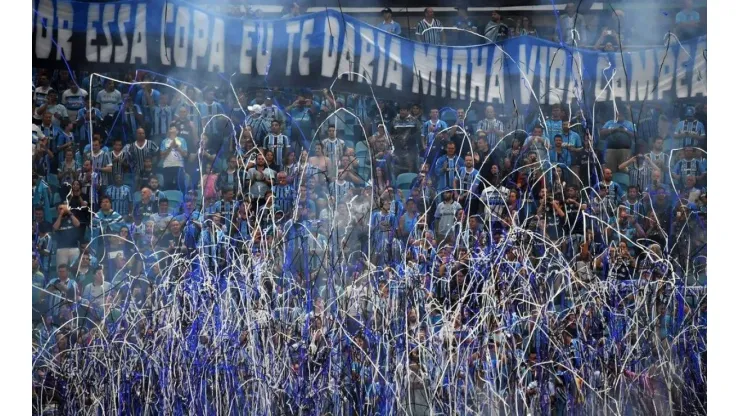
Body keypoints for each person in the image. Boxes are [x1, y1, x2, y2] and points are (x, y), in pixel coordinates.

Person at [599, 107, 635, 172]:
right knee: (610, 170)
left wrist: (624, 131)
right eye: (617, 114)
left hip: (625, 150)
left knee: (624, 169)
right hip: (610, 150)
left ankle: (622, 182)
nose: (619, 116)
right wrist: (614, 129)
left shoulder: (629, 124)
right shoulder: (609, 123)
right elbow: (601, 133)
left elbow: (635, 135)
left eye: (620, 114)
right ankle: (611, 181)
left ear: (624, 115)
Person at [160, 125, 188, 190]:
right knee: (167, 186)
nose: (171, 129)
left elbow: (185, 154)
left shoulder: (182, 140)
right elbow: (162, 155)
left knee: (180, 185)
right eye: (170, 128)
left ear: (177, 131)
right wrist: (170, 147)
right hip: (167, 166)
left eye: (174, 128)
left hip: (179, 165)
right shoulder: (164, 141)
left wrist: (177, 147)